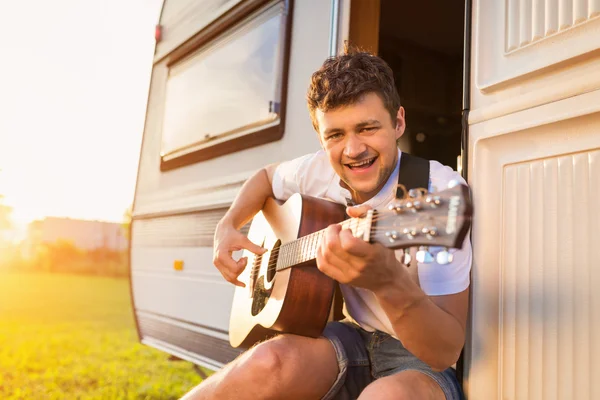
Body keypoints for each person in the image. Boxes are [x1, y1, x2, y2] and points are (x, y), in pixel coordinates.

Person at [181, 49, 472, 400]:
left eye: (367, 128)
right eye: (335, 135)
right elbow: (264, 178)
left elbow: (444, 350)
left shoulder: (434, 196)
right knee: (267, 362)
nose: (352, 149)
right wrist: (226, 226)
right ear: (321, 137)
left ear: (398, 123)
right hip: (355, 337)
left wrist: (388, 282)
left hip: (421, 362)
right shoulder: (318, 169)